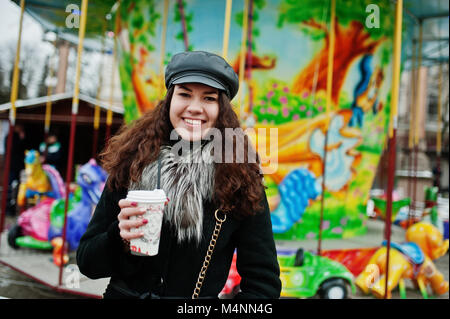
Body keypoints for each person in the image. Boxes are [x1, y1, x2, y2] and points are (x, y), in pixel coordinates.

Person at [76, 51, 281, 299]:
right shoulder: (132, 163)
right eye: (184, 94)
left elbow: (263, 286)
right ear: (169, 100)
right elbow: (87, 263)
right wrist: (118, 236)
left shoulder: (241, 180)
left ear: (222, 109)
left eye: (208, 98)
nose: (194, 108)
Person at [3, 124, 27, 216]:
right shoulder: (10, 137)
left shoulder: (14, 137)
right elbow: (14, 149)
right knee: (9, 188)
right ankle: (8, 208)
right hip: (11, 167)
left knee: (17, 188)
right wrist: (21, 139)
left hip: (17, 167)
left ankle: (13, 208)